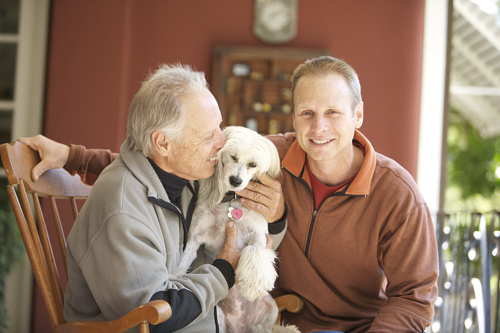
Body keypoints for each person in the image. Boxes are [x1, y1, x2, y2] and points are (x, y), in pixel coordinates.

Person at [20, 56, 438, 333]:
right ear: (293, 116)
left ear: (358, 115)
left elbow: (415, 299)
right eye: (307, 113)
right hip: (271, 319)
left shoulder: (398, 195)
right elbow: (163, 159)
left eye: (333, 112)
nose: (319, 127)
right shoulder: (263, 156)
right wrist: (74, 156)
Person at [19, 63, 287, 333]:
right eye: (209, 135)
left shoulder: (181, 176)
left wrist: (72, 156)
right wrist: (224, 269)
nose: (222, 141)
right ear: (163, 143)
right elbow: (152, 317)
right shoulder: (122, 209)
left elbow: (130, 163)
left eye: (219, 127)